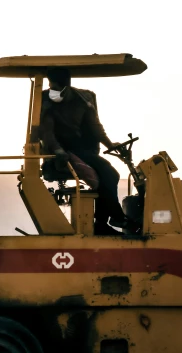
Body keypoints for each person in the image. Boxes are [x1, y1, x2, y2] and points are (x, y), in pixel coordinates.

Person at [40, 69, 130, 235]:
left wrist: (110, 145)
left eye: (53, 85)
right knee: (108, 175)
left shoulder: (83, 100)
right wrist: (58, 150)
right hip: (62, 151)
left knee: (111, 176)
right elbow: (47, 134)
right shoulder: (46, 102)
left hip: (81, 148)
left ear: (65, 84)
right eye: (49, 85)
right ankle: (115, 217)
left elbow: (96, 128)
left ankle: (103, 223)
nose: (51, 88)